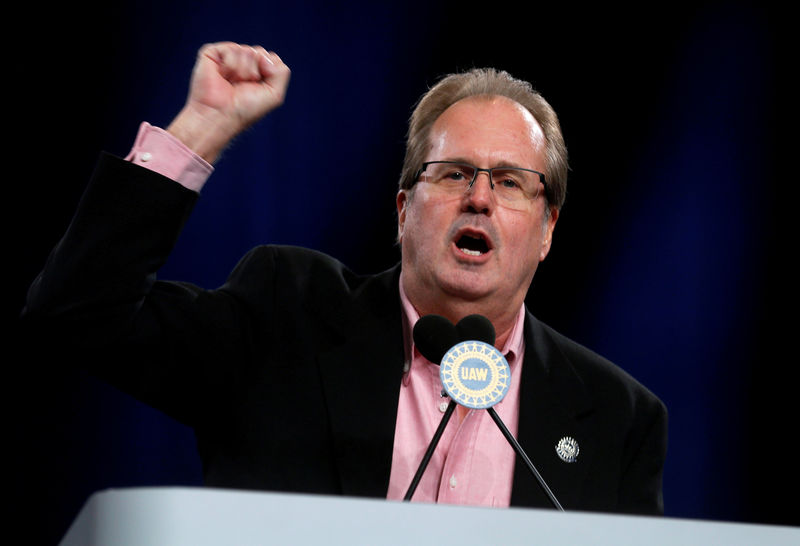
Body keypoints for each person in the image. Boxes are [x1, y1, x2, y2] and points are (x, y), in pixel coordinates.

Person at [22, 42, 667, 514]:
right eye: (452, 173)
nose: (480, 198)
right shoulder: (287, 318)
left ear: (549, 227)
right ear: (401, 208)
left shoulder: (617, 418)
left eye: (510, 182)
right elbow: (79, 311)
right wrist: (200, 131)